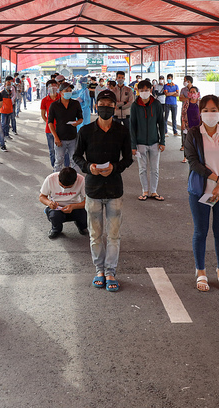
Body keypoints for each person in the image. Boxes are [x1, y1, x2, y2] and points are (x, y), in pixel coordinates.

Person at [74, 89, 133, 292]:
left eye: (109, 105)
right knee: (95, 234)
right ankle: (99, 270)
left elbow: (128, 159)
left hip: (115, 188)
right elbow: (77, 157)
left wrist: (114, 168)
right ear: (96, 106)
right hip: (93, 188)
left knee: (114, 235)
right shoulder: (86, 131)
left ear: (115, 107)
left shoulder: (122, 131)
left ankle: (110, 271)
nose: (105, 108)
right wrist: (88, 167)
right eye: (102, 104)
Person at [184, 95, 219, 292]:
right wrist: (216, 179)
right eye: (205, 110)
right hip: (199, 191)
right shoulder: (194, 133)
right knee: (200, 232)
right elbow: (193, 161)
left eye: (213, 109)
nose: (209, 113)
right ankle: (201, 272)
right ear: (200, 113)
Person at [130, 80, 166, 201]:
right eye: (142, 90)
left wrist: (162, 141)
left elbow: (161, 123)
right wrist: (133, 145)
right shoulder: (135, 106)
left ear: (151, 90)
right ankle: (145, 191)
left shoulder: (156, 104)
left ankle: (154, 191)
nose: (144, 92)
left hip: (155, 142)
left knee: (155, 168)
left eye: (146, 90)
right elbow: (132, 126)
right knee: (142, 168)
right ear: (138, 91)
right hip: (140, 144)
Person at [39, 167, 88, 239]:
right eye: (62, 186)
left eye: (68, 187)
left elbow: (88, 201)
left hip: (75, 206)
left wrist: (73, 206)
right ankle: (56, 229)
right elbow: (42, 197)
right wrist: (49, 203)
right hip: (57, 207)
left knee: (86, 212)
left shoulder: (81, 180)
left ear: (76, 180)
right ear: (58, 177)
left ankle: (82, 226)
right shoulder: (50, 178)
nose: (64, 189)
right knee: (54, 216)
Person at [48, 82, 84, 172]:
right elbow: (50, 122)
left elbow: (81, 118)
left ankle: (75, 180)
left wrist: (77, 122)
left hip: (73, 137)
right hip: (60, 138)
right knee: (59, 161)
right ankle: (56, 179)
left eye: (70, 90)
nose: (69, 92)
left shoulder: (75, 104)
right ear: (60, 92)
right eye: (66, 90)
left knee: (74, 161)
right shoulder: (54, 105)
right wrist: (55, 137)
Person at [41, 79, 62, 169]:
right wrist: (50, 123)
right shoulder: (44, 100)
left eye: (55, 86)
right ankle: (54, 168)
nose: (53, 88)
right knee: (52, 150)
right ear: (47, 88)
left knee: (63, 150)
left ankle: (64, 168)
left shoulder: (62, 97)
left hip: (61, 128)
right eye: (51, 86)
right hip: (49, 130)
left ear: (57, 87)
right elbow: (43, 115)